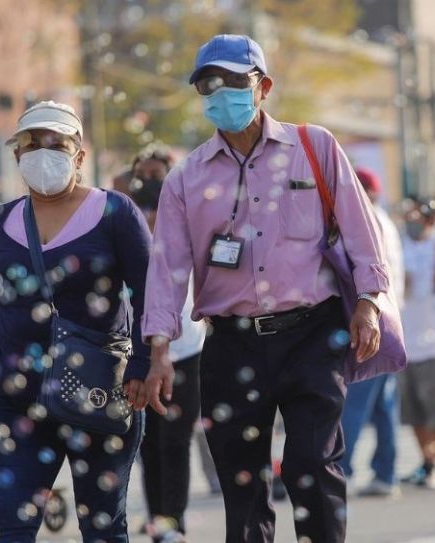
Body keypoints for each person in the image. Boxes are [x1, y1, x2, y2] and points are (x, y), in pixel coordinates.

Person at [141, 34, 390, 543]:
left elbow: (364, 233)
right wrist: (159, 348)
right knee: (241, 481)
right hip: (231, 344)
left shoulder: (314, 147)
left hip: (313, 336)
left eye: (234, 80)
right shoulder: (185, 179)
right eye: (208, 83)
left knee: (310, 463)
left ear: (264, 86)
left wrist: (368, 303)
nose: (220, 92)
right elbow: (166, 272)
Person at [0, 101, 163, 542]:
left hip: (99, 395)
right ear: (17, 156)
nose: (43, 152)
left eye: (56, 144)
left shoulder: (115, 213)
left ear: (79, 154)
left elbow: (149, 293)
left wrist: (143, 364)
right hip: (18, 399)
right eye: (31, 144)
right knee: (12, 529)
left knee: (102, 527)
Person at [127, 146, 208, 543]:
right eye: (143, 174)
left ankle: (173, 519)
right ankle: (158, 516)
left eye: (158, 173)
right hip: (140, 350)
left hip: (185, 348)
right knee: (146, 441)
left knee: (175, 440)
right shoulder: (127, 220)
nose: (151, 181)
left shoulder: (192, 216)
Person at [338, 166, 405, 498]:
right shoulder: (385, 220)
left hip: (372, 317)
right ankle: (386, 472)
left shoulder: (368, 220)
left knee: (355, 401)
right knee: (383, 406)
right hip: (389, 317)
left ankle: (343, 469)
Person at [397, 199, 435, 489]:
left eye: (417, 218)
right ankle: (426, 462)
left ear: (430, 220)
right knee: (413, 411)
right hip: (407, 343)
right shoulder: (399, 245)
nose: (411, 222)